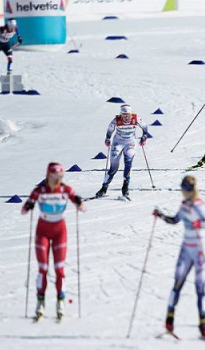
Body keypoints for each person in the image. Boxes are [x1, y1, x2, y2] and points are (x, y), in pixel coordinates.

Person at [153, 176, 205, 338]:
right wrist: (160, 215)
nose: (181, 192)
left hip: (200, 250)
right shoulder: (184, 205)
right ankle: (169, 322)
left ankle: (204, 325)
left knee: (200, 287)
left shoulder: (199, 206)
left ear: (188, 190)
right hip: (186, 249)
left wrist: (198, 224)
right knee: (177, 284)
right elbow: (175, 220)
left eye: (183, 189)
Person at [22, 163, 85, 320]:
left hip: (59, 231)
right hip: (42, 231)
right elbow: (25, 208)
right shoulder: (40, 191)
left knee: (59, 268)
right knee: (43, 268)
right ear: (48, 176)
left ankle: (60, 301)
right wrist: (29, 205)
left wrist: (79, 202)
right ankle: (40, 302)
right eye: (54, 177)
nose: (57, 180)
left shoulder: (65, 189)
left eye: (60, 177)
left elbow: (80, 202)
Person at [95, 104, 148, 198]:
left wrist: (144, 137)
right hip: (118, 143)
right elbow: (110, 129)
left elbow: (145, 127)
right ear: (121, 115)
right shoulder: (116, 120)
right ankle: (104, 188)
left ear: (131, 114)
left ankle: (125, 187)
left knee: (128, 163)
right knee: (113, 167)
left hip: (130, 143)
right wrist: (107, 139)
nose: (126, 117)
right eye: (124, 115)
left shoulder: (136, 119)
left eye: (128, 115)